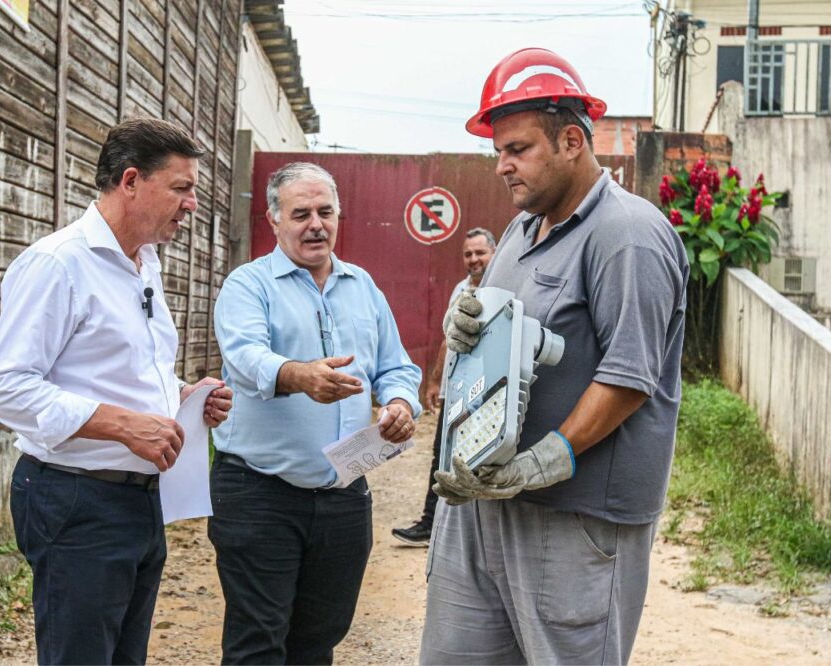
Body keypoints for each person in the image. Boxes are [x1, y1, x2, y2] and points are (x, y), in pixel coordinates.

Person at [421, 48, 688, 665]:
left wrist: (548, 459)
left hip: (574, 520)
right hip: (489, 506)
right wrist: (465, 327)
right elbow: (496, 336)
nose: (502, 167)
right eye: (498, 153)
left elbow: (630, 376)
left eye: (517, 149)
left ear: (572, 139)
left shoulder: (628, 236)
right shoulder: (521, 230)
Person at [0, 117, 234, 665]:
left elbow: (120, 369)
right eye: (182, 188)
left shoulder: (145, 262)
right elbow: (2, 387)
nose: (193, 204)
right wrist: (122, 424)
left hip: (140, 500)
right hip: (76, 498)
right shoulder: (58, 263)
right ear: (131, 180)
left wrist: (184, 400)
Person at [210, 161, 422, 665]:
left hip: (345, 494)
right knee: (258, 640)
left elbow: (397, 366)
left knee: (319, 639)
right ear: (274, 220)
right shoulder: (249, 284)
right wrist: (300, 375)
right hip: (259, 491)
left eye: (325, 212)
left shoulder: (363, 287)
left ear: (339, 216)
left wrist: (398, 404)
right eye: (300, 213)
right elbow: (245, 358)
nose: (315, 224)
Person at [391, 227, 496, 546]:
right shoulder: (461, 289)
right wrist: (436, 380)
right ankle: (431, 524)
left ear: (494, 252)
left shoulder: (501, 290)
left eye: (480, 252)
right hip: (455, 389)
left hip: (480, 393)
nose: (474, 259)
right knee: (442, 456)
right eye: (468, 254)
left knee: (477, 460)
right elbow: (448, 338)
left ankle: (469, 534)